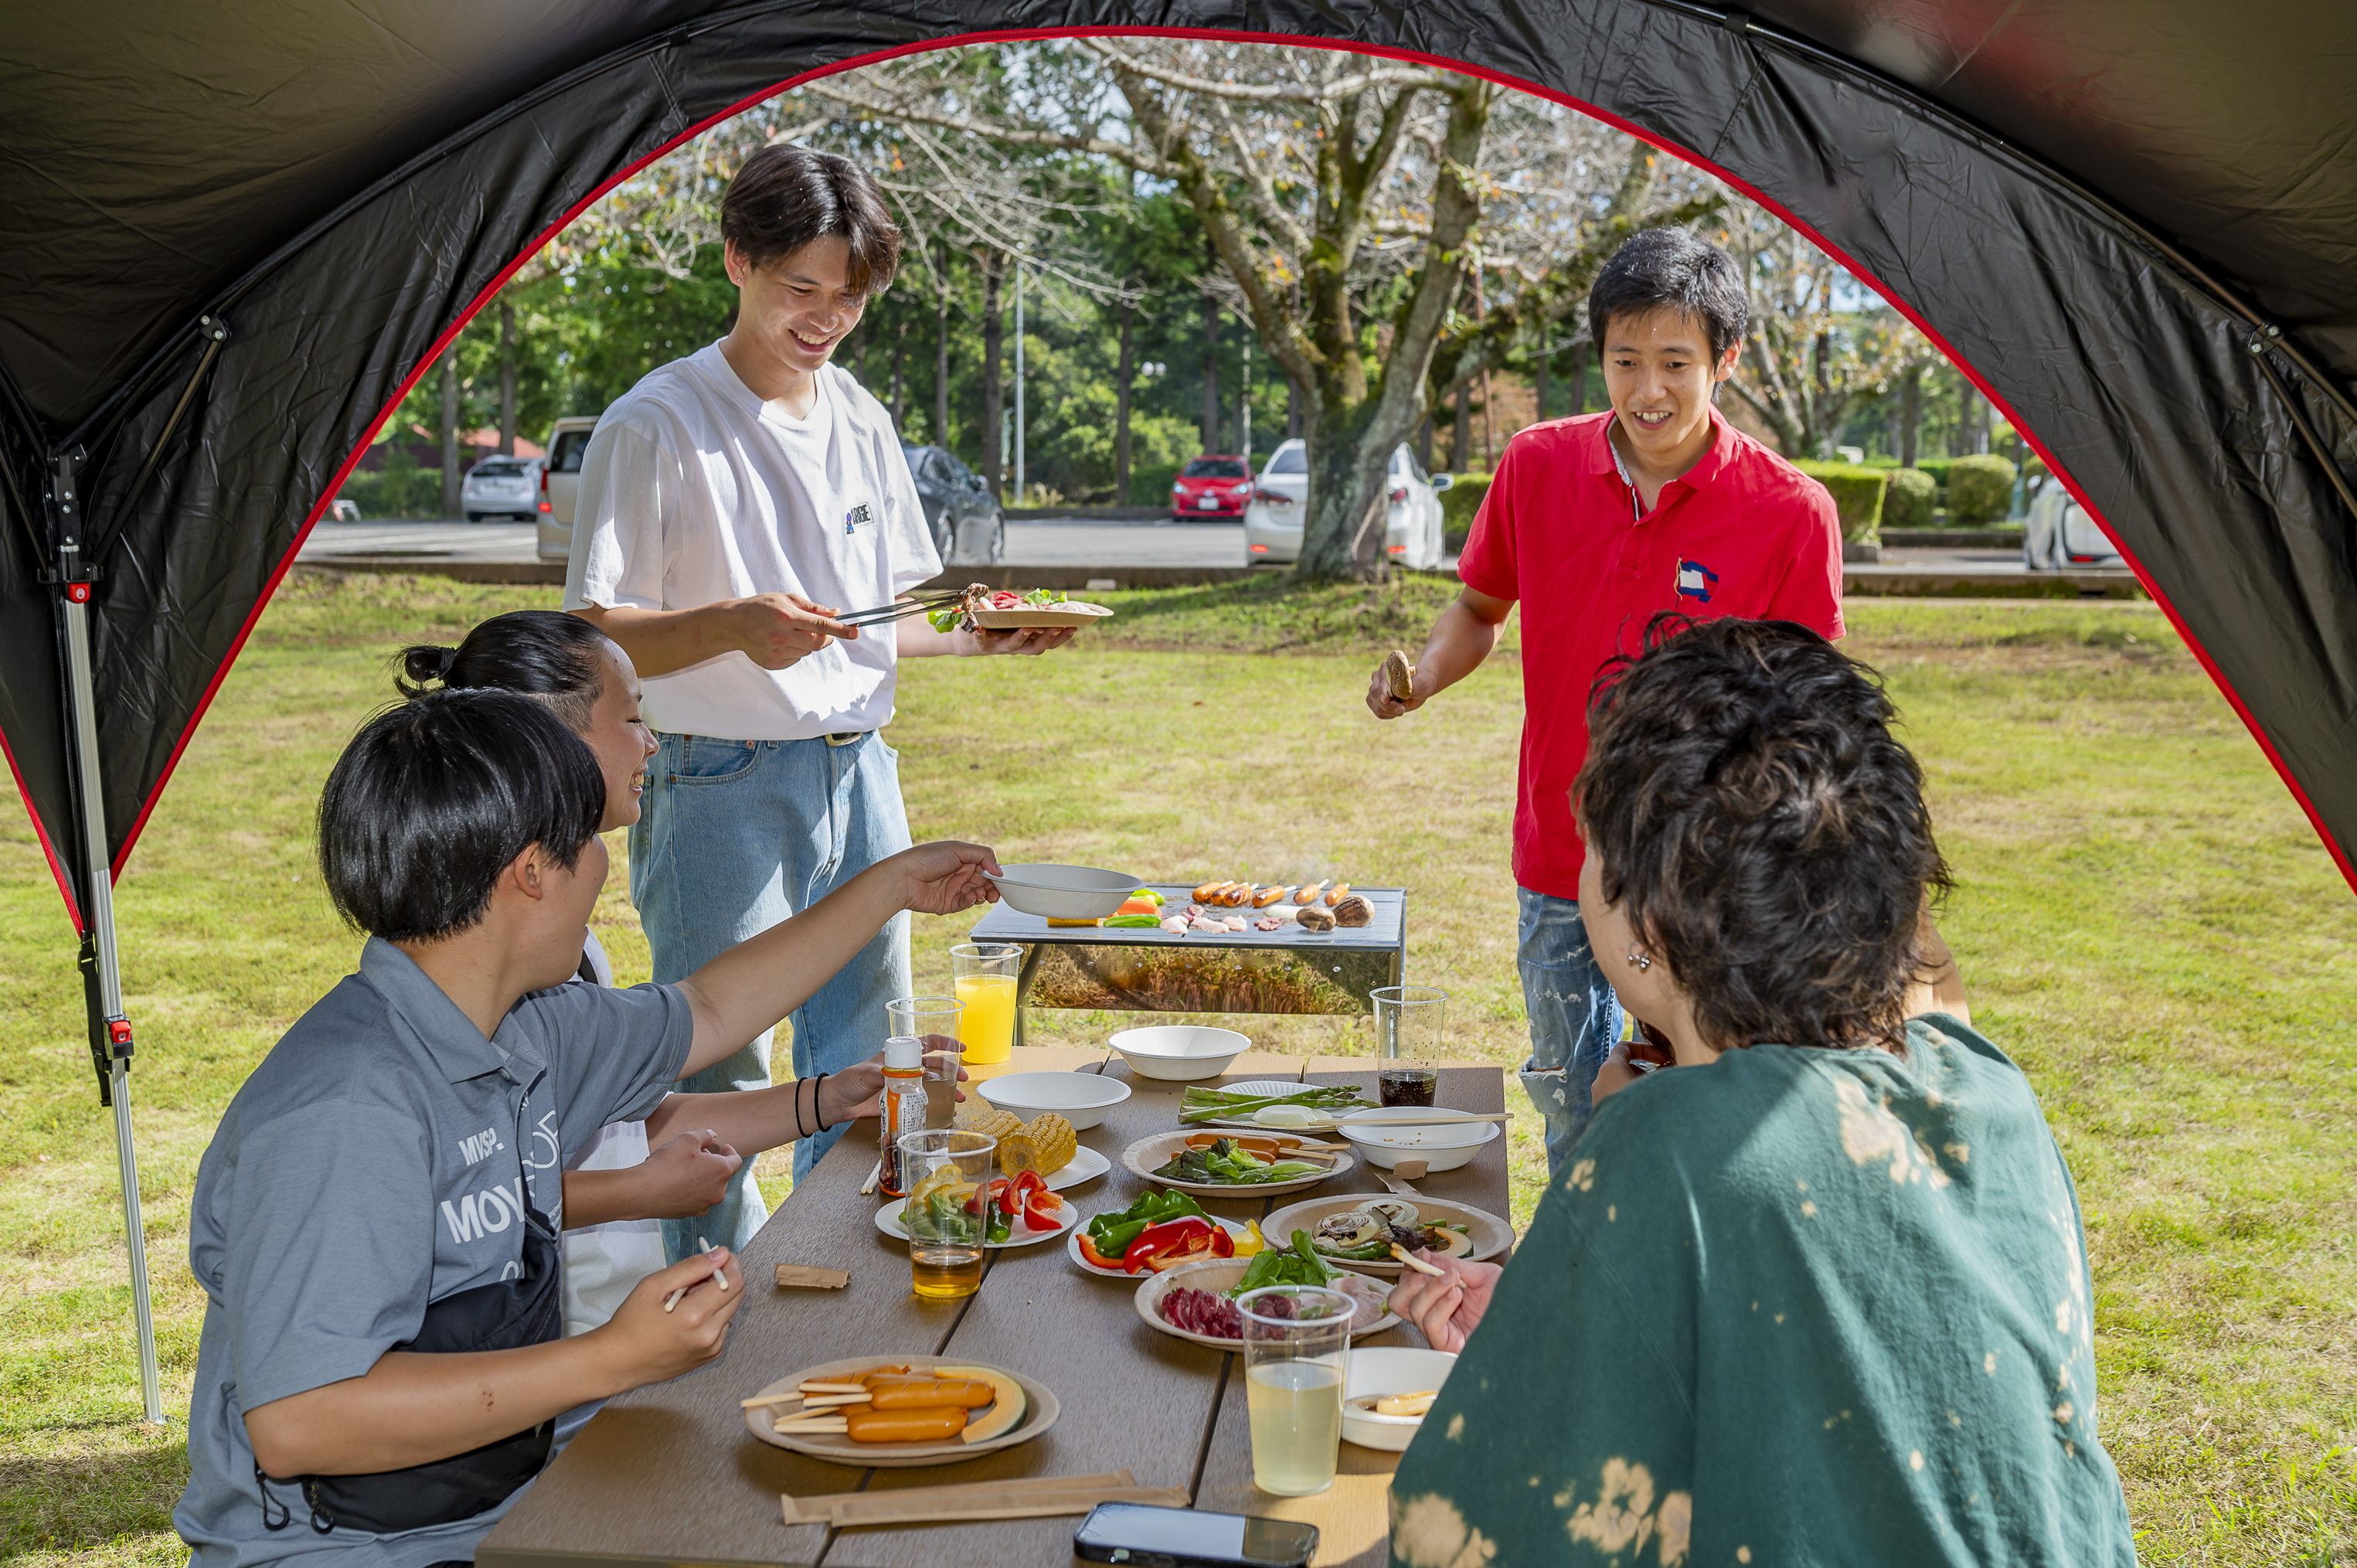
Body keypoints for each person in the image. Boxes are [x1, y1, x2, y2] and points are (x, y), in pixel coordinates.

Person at [174, 686, 1001, 1566]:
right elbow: (302, 1421)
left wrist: (891, 884)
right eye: (590, 840)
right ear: (533, 871)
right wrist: (614, 1356)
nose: (605, 865)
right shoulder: (344, 1111)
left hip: (506, 1490)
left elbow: (711, 1007)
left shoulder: (526, 1024)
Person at [1384, 617, 2137, 1565]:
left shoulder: (1666, 1151)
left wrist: (1625, 1188)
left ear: (1640, 922)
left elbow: (1452, 1541)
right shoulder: (1984, 1085)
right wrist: (1556, 1318)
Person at [564, 144, 1067, 1260]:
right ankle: (715, 1305)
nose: (827, 319)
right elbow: (593, 635)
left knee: (869, 1052)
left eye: (850, 297)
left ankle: (840, 1280)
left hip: (860, 767)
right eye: (803, 288)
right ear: (736, 261)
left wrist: (977, 633)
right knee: (718, 1060)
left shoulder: (859, 417)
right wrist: (732, 625)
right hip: (714, 779)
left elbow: (878, 618)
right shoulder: (656, 422)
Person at [393, 611, 963, 1448]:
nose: (655, 743)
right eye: (633, 718)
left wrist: (823, 1097)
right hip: (533, 1394)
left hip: (589, 1365)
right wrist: (638, 1194)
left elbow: (668, 1060)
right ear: (552, 746)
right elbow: (463, 1194)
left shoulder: (548, 955)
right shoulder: (478, 988)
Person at [1366, 226, 1845, 1174]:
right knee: (1567, 1102)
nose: (1647, 389)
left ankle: (1673, 1252)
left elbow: (1808, 716)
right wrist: (1422, 678)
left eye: (1674, 362)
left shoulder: (1790, 511)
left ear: (1725, 360)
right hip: (1556, 853)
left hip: (1697, 873)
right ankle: (1584, 1248)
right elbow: (1477, 607)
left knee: (1693, 1111)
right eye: (1624, 360)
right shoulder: (1535, 466)